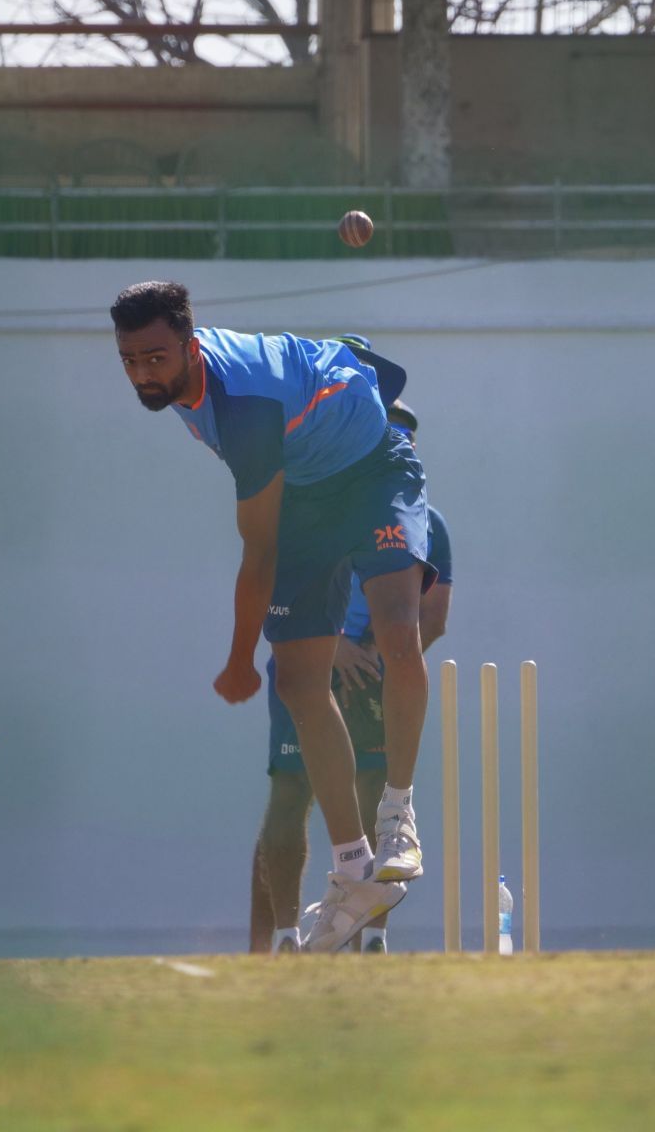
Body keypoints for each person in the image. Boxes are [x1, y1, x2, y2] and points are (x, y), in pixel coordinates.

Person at [111, 281, 434, 952]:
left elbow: (257, 554)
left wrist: (235, 662)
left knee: (400, 630)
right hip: (310, 490)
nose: (144, 373)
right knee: (296, 682)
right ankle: (354, 868)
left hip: (374, 469)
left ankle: (398, 812)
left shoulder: (244, 410)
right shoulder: (182, 386)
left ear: (190, 344)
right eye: (131, 360)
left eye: (157, 358)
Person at [250, 399, 454, 954]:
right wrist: (334, 647)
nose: (398, 444)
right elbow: (275, 583)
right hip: (309, 663)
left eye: (406, 436)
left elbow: (432, 617)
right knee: (291, 793)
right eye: (388, 433)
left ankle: (370, 939)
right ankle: (286, 934)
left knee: (374, 798)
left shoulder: (424, 519)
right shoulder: (314, 499)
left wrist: (378, 660)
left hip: (373, 678)